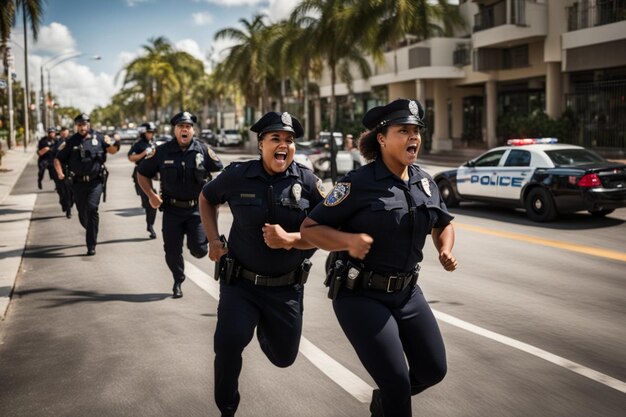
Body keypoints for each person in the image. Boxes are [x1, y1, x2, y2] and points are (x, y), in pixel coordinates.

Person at [300, 99, 458, 417]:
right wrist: (348, 241)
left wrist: (444, 248)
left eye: (416, 131)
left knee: (433, 371)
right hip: (360, 295)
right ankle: (392, 397)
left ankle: (386, 401)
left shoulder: (425, 183)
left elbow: (444, 222)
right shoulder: (357, 183)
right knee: (397, 383)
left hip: (408, 291)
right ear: (382, 138)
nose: (413, 137)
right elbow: (309, 229)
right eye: (404, 131)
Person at [199, 112, 326, 417]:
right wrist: (214, 240)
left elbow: (326, 231)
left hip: (286, 288)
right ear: (261, 145)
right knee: (228, 345)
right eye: (275, 139)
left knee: (284, 357)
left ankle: (264, 327)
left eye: (289, 140)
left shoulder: (307, 181)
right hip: (240, 284)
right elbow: (207, 197)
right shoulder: (238, 175)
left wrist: (292, 239)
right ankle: (227, 407)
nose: (283, 145)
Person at [137, 111, 223, 298]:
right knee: (171, 251)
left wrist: (216, 197)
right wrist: (151, 195)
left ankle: (201, 244)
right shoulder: (161, 151)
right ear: (175, 130)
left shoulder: (203, 150)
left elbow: (220, 172)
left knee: (200, 251)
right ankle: (178, 280)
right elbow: (142, 173)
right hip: (171, 210)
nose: (185, 129)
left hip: (197, 210)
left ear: (193, 130)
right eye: (181, 126)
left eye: (188, 126)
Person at [54, 113, 120, 255]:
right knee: (83, 214)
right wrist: (60, 174)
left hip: (95, 182)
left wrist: (117, 142)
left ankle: (91, 245)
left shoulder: (99, 138)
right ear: (76, 126)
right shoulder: (71, 141)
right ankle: (90, 227)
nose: (82, 127)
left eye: (84, 124)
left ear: (88, 124)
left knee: (92, 209)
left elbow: (112, 150)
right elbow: (58, 159)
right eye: (79, 125)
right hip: (78, 183)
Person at [128, 122, 158, 239]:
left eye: (152, 132)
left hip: (152, 175)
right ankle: (150, 225)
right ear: (143, 132)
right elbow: (131, 157)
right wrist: (144, 153)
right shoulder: (138, 144)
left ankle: (150, 225)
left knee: (153, 200)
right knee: (148, 201)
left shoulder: (153, 143)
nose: (151, 134)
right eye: (149, 132)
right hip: (140, 175)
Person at [50, 126, 73, 218]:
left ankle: (69, 207)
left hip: (70, 169)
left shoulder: (72, 140)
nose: (64, 133)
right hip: (58, 169)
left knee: (70, 191)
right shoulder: (56, 142)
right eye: (62, 131)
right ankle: (65, 205)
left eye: (65, 131)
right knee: (61, 190)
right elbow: (54, 154)